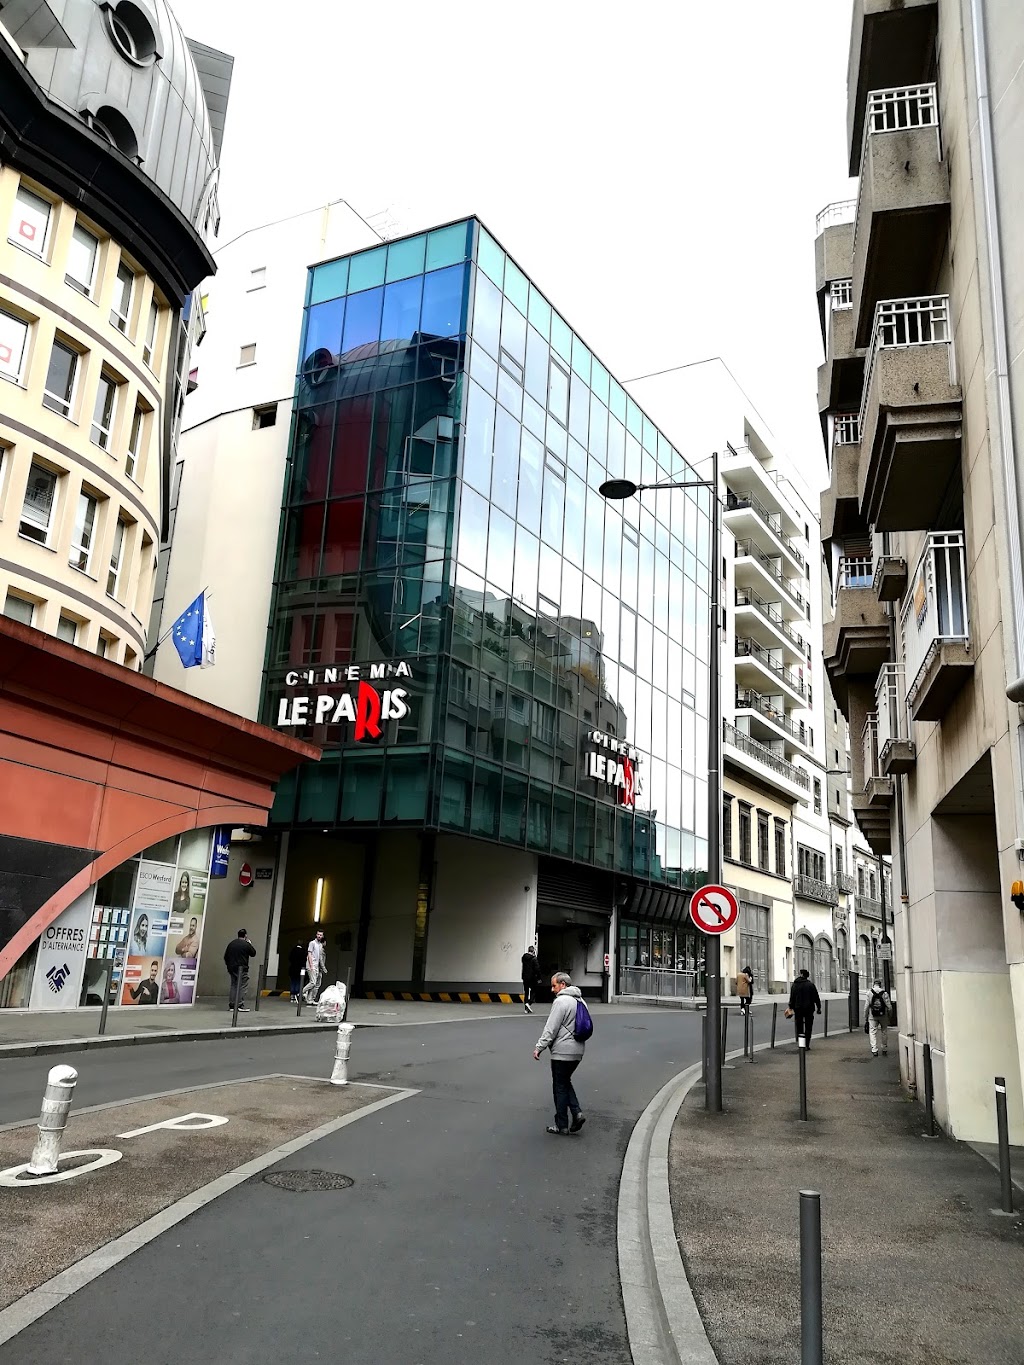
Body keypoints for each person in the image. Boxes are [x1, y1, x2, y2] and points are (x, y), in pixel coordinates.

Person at [533, 971, 587, 1136]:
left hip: (562, 1051)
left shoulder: (561, 1001)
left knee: (559, 1087)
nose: (552, 989)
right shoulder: (581, 1001)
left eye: (554, 985)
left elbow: (551, 1028)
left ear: (563, 985)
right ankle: (577, 1113)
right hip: (578, 1051)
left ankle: (562, 1125)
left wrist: (539, 1047)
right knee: (564, 1082)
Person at [787, 968, 821, 1048]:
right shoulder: (810, 985)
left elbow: (792, 997)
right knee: (808, 1027)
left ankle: (801, 1044)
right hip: (809, 1008)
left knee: (799, 1027)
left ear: (801, 974)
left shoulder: (795, 985)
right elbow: (816, 997)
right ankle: (807, 1044)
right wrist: (818, 1007)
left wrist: (790, 1007)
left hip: (798, 1008)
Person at [224, 928, 256, 1011]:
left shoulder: (231, 944)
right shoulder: (246, 944)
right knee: (242, 985)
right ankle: (239, 1004)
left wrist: (229, 965)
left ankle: (232, 1005)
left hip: (232, 968)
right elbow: (253, 953)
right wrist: (249, 944)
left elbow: (226, 956)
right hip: (242, 968)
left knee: (234, 985)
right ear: (245, 936)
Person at [864, 977, 892, 1056]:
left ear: (873, 984)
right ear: (880, 985)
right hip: (883, 1015)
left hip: (872, 1015)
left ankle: (874, 1049)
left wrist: (866, 1016)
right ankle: (884, 1048)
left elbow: (866, 1006)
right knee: (884, 1031)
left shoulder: (869, 993)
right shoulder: (884, 993)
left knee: (872, 1032)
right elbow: (889, 1007)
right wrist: (889, 1015)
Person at [303, 929, 326, 1003]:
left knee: (315, 983)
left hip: (316, 966)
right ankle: (301, 992)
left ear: (322, 936)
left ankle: (310, 999)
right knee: (313, 982)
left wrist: (322, 968)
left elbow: (320, 958)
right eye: (318, 934)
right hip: (311, 965)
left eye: (320, 935)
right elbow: (309, 954)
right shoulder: (312, 943)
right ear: (316, 935)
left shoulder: (320, 945)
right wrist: (311, 965)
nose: (319, 936)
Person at [521, 944, 541, 1014]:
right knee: (534, 991)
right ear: (533, 951)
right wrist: (539, 978)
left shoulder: (524, 958)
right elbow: (537, 969)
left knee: (526, 992)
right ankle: (529, 1003)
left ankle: (526, 1008)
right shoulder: (534, 959)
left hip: (525, 977)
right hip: (532, 977)